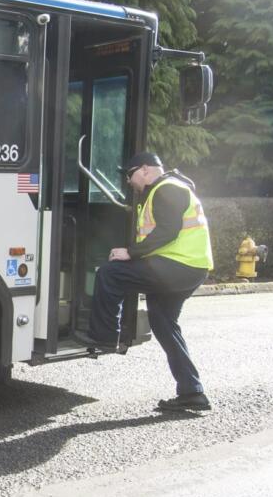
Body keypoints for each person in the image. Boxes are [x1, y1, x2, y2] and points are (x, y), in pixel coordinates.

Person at [85, 151, 214, 412]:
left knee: (111, 273)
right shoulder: (164, 190)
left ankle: (106, 336)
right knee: (163, 323)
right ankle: (192, 392)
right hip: (185, 267)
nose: (129, 182)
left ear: (144, 169)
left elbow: (168, 231)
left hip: (178, 265)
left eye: (130, 175)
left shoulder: (168, 188)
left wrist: (130, 252)